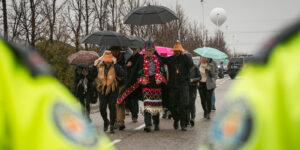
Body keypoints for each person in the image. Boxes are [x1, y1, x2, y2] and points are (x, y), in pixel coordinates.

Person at [200, 19, 300, 150]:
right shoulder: (282, 59)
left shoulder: (280, 57)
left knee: (209, 98)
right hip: (203, 85)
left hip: (210, 85)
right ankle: (206, 110)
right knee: (204, 100)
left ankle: (208, 110)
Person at [0, 37, 115, 150]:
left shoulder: (92, 68)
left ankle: (90, 118)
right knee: (84, 104)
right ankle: (91, 118)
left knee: (88, 104)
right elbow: (75, 79)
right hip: (80, 90)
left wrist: (87, 75)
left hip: (89, 90)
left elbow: (92, 78)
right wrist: (81, 74)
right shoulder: (77, 69)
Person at [117, 41, 167, 132]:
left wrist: (160, 78)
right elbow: (137, 71)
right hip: (146, 84)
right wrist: (141, 79)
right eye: (147, 51)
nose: (149, 52)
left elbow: (162, 70)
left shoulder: (158, 59)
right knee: (147, 104)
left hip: (156, 84)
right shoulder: (141, 59)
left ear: (153, 50)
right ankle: (148, 125)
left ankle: (156, 123)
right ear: (145, 51)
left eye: (150, 50)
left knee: (155, 104)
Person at [160, 41, 194, 131]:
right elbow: (161, 59)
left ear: (181, 51)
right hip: (173, 86)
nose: (177, 52)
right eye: (176, 51)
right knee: (172, 105)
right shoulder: (170, 59)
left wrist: (185, 55)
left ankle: (183, 124)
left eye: (179, 51)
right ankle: (176, 119)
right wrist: (154, 52)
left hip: (184, 85)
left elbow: (191, 65)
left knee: (183, 105)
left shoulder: (186, 58)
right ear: (173, 51)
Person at [94, 50, 124, 134]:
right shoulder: (99, 66)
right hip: (102, 89)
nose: (107, 62)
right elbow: (92, 75)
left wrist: (115, 64)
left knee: (112, 107)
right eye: (106, 60)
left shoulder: (115, 66)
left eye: (109, 60)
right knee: (102, 108)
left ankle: (111, 125)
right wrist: (94, 65)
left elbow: (121, 74)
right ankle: (106, 121)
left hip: (112, 89)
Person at [110, 46, 127, 131]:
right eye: (112, 50)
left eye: (115, 50)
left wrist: (115, 64)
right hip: (112, 84)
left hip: (121, 84)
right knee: (113, 103)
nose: (114, 52)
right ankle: (116, 120)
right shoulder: (108, 59)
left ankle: (120, 121)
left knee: (120, 102)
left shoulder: (122, 59)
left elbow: (122, 73)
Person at [125, 47, 141, 122]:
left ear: (136, 50)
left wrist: (133, 65)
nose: (132, 51)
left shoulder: (139, 57)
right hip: (128, 81)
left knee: (135, 99)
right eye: (131, 50)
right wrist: (127, 66)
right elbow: (125, 68)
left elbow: (140, 68)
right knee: (128, 99)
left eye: (134, 50)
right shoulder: (128, 57)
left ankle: (135, 115)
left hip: (136, 81)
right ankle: (131, 110)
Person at [188, 59, 201, 127]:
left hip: (193, 87)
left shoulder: (195, 67)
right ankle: (187, 119)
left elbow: (199, 77)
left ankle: (192, 117)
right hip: (186, 87)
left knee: (192, 102)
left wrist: (193, 80)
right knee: (186, 102)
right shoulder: (185, 67)